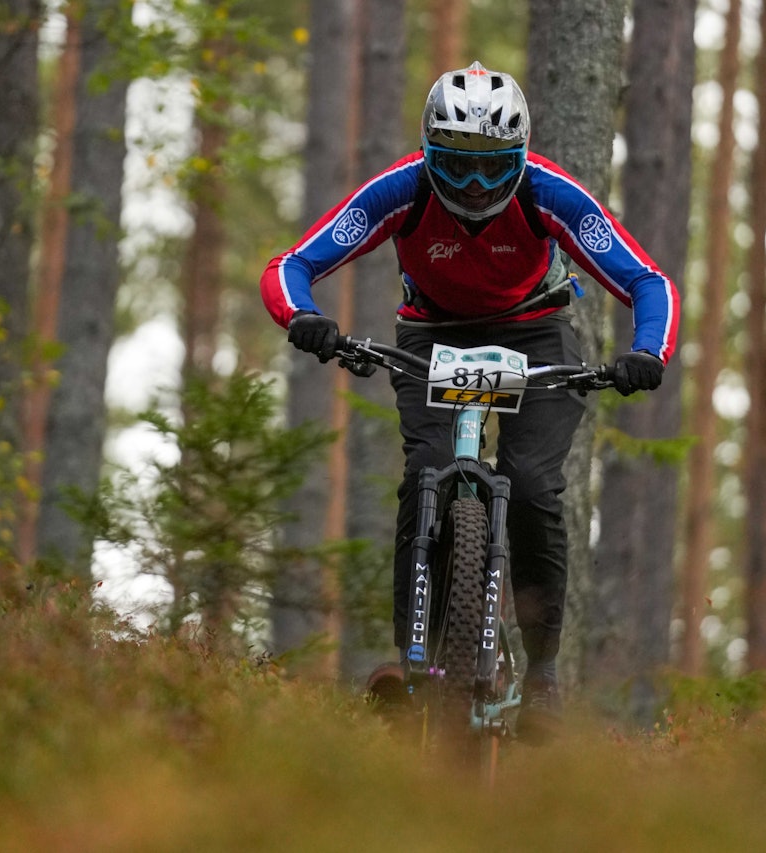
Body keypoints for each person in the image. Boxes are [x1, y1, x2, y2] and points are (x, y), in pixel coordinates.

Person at [260, 61, 679, 739]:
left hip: (535, 332)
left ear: (519, 157)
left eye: (493, 166)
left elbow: (646, 279)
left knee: (536, 486)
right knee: (424, 471)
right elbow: (292, 265)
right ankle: (413, 658)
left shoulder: (551, 195)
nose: (477, 184)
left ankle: (542, 675)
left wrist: (646, 353)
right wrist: (303, 318)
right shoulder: (402, 190)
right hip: (432, 334)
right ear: (431, 154)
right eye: (458, 165)